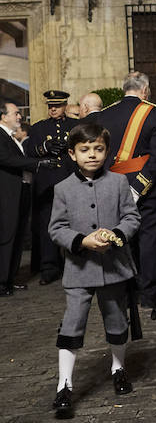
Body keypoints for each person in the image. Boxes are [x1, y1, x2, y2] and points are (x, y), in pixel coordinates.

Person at [48, 121, 141, 418]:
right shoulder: (62, 189)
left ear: (107, 152)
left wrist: (116, 235)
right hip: (78, 270)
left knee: (116, 321)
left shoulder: (118, 183)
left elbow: (131, 217)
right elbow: (57, 228)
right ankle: (64, 384)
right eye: (84, 150)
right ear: (73, 154)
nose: (92, 155)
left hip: (114, 267)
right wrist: (81, 240)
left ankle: (118, 368)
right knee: (72, 324)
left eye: (98, 149)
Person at [100, 72, 156, 308]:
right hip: (148, 187)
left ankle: (126, 294)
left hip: (113, 186)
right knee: (149, 241)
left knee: (120, 240)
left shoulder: (104, 115)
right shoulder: (154, 113)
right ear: (145, 90)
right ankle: (149, 294)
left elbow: (100, 156)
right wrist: (138, 188)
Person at [0, 101, 54, 296]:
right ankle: (2, 282)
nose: (19, 117)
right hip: (7, 195)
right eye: (16, 113)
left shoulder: (11, 137)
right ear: (3, 116)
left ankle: (9, 279)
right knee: (7, 237)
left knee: (17, 237)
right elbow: (7, 159)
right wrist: (39, 163)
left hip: (20, 192)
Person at [25, 90, 78, 285]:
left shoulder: (75, 126)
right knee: (47, 225)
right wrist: (45, 148)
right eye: (50, 106)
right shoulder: (39, 128)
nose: (53, 109)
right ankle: (49, 266)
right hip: (47, 184)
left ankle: (74, 263)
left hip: (70, 181)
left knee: (74, 223)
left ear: (65, 105)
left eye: (56, 105)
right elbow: (29, 151)